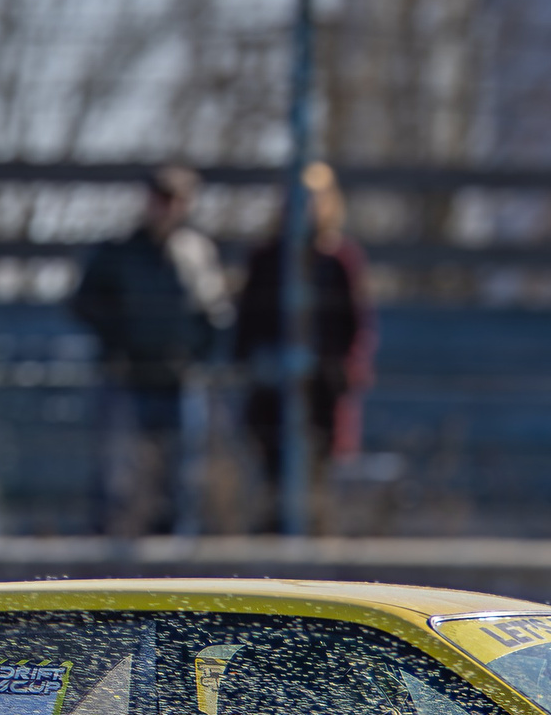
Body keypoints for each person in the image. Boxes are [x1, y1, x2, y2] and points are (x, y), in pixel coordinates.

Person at [69, 164, 231, 536]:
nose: (167, 208)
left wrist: (200, 355)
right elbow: (84, 304)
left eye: (176, 200)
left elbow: (216, 311)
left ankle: (176, 550)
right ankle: (107, 549)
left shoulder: (196, 251)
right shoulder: (117, 253)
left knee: (183, 475)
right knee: (117, 474)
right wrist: (118, 343)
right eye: (161, 198)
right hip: (127, 377)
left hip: (180, 378)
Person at [235, 162, 376, 523]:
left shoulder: (341, 260)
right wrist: (253, 364)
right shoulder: (266, 259)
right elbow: (246, 324)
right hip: (271, 393)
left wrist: (343, 373)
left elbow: (357, 327)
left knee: (319, 493)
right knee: (270, 490)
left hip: (323, 397)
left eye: (313, 198)